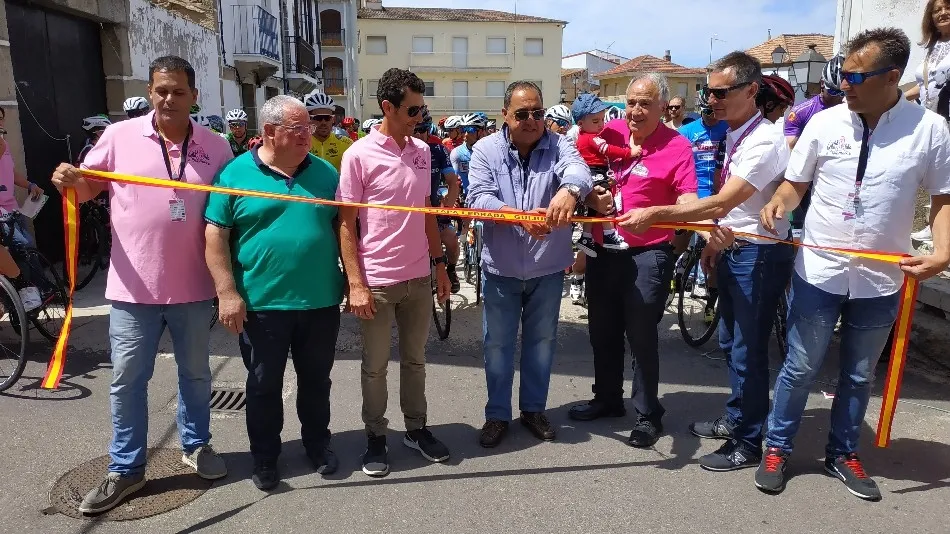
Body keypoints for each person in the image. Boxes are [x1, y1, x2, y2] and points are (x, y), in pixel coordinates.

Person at [755, 27, 950, 500]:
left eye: (855, 76)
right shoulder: (823, 123)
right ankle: (776, 447)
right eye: (843, 74)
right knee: (800, 366)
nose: (844, 84)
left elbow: (944, 198)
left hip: (882, 278)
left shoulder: (930, 129)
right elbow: (793, 185)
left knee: (860, 374)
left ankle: (843, 453)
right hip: (819, 271)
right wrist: (777, 204)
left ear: (893, 76)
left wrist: (943, 253)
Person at [51, 55, 231, 514]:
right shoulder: (118, 136)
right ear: (150, 91)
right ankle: (126, 469)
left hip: (193, 288)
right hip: (133, 291)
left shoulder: (216, 146)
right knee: (128, 382)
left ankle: (196, 445)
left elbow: (231, 216)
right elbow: (85, 189)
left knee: (195, 375)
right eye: (160, 90)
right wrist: (65, 181)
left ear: (194, 96)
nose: (168, 98)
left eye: (178, 91)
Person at [619, 52, 794, 471]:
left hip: (759, 256)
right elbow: (732, 211)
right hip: (734, 251)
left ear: (751, 91)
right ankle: (737, 420)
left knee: (749, 351)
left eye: (719, 92)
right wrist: (713, 246)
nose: (710, 99)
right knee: (733, 345)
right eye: (707, 91)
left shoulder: (765, 139)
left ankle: (749, 441)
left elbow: (720, 201)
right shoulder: (735, 133)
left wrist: (655, 214)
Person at [204, 95, 344, 491]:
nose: (309, 134)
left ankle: (318, 445)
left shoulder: (325, 173)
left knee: (317, 380)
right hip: (261, 305)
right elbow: (216, 234)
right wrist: (227, 292)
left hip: (320, 301)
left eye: (309, 127)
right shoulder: (235, 175)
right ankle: (265, 457)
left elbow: (342, 229)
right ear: (269, 132)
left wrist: (353, 280)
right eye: (298, 128)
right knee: (263, 384)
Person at [566, 72, 697, 449]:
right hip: (602, 250)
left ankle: (647, 413)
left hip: (648, 254)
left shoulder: (676, 146)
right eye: (631, 102)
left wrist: (693, 219)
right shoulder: (609, 132)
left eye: (645, 103)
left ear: (662, 107)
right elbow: (580, 172)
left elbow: (687, 198)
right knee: (601, 331)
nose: (635, 111)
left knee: (640, 337)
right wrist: (590, 200)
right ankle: (607, 399)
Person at [467, 80, 601, 448]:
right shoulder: (484, 150)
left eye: (537, 113)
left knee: (541, 343)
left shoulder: (560, 145)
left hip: (547, 268)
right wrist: (516, 216)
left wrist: (568, 191)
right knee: (497, 345)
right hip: (500, 269)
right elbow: (478, 199)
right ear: (505, 116)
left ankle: (533, 409)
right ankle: (496, 415)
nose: (531, 120)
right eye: (522, 114)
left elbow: (580, 173)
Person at [337, 67, 452, 478]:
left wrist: (440, 267)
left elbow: (426, 216)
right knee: (375, 366)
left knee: (416, 360)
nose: (419, 116)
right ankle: (375, 436)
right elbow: (346, 224)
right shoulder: (358, 156)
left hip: (419, 277)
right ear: (387, 107)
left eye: (423, 108)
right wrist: (356, 284)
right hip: (378, 281)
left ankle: (416, 429)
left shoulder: (422, 152)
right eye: (412, 109)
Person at [571, 92, 632, 256]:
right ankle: (609, 234)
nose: (601, 125)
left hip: (588, 172)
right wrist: (629, 153)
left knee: (592, 209)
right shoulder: (592, 138)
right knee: (606, 201)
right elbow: (608, 150)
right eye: (596, 121)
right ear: (581, 123)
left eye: (602, 120)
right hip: (596, 171)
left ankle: (586, 236)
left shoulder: (582, 138)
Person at [0, 106, 44, 310]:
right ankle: (23, 293)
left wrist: (30, 185)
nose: (1, 124)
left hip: (11, 208)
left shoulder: (4, 144)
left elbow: (11, 172)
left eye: (1, 119)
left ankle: (37, 290)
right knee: (23, 245)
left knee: (27, 248)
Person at [413, 108, 462, 293]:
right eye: (415, 129)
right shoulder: (401, 148)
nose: (418, 134)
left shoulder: (438, 149)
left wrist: (447, 206)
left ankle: (450, 270)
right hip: (411, 214)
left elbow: (452, 182)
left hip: (435, 211)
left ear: (429, 129)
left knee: (451, 241)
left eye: (423, 129)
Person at [907, 0, 950, 110]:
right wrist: (900, 97)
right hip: (932, 117)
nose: (943, 13)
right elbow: (927, 84)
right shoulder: (932, 46)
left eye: (948, 8)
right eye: (937, 10)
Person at [304, 92, 352, 172]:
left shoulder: (347, 144)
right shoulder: (300, 143)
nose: (323, 122)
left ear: (333, 119)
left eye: (327, 118)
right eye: (318, 118)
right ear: (309, 119)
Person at [450, 113, 485, 198]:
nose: (465, 134)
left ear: (480, 131)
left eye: (470, 130)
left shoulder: (490, 150)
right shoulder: (457, 153)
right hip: (467, 200)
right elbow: (453, 180)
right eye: (463, 129)